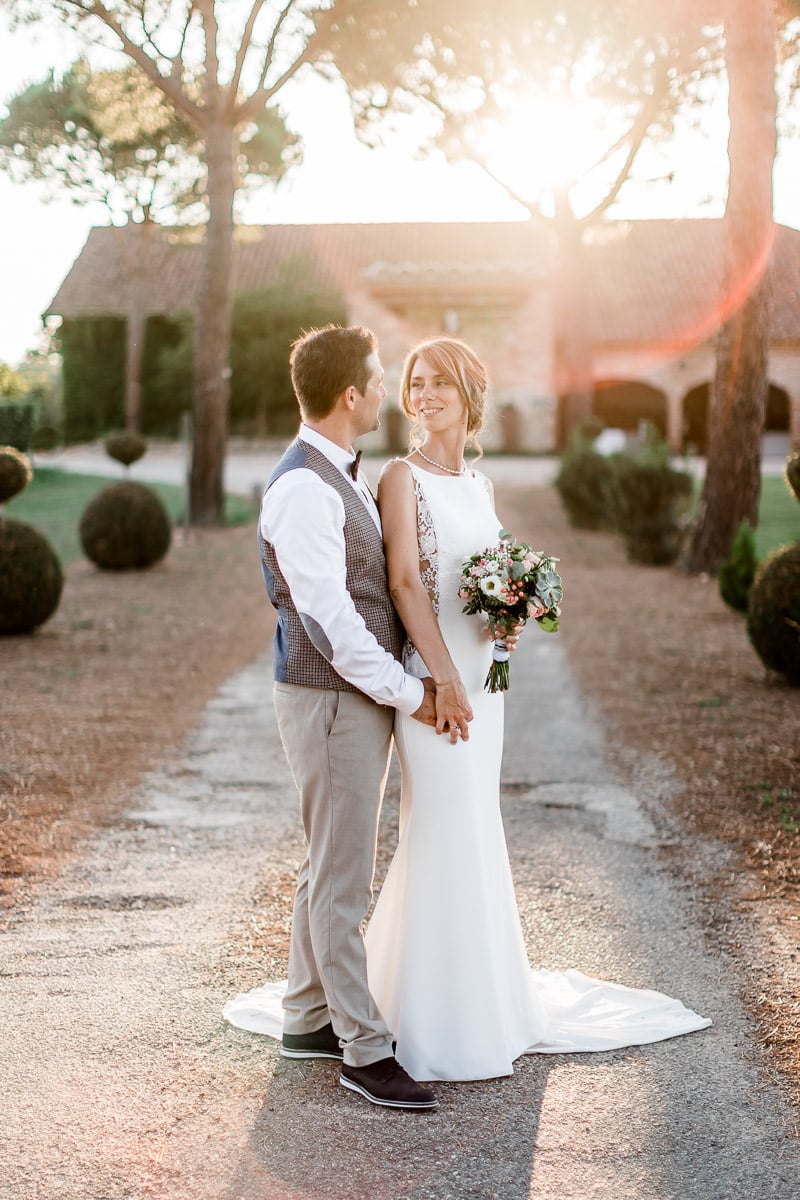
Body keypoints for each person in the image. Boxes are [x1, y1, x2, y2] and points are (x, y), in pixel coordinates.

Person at [225, 334, 711, 1086]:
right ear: (355, 393)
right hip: (414, 687)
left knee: (390, 849)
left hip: (476, 682)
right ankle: (374, 1039)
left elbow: (466, 574)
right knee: (363, 861)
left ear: (467, 394)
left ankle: (327, 1013)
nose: (412, 394)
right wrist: (430, 685)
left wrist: (509, 609)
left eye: (434, 383)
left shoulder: (451, 485)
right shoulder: (362, 480)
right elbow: (381, 599)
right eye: (402, 380)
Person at [240, 324, 457, 1112]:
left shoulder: (338, 475)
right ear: (349, 396)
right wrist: (410, 691)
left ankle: (305, 1017)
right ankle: (365, 1052)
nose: (387, 392)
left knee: (326, 860)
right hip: (330, 700)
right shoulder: (303, 488)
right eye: (377, 378)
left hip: (345, 700)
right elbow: (331, 624)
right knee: (341, 879)